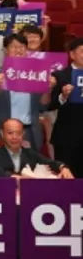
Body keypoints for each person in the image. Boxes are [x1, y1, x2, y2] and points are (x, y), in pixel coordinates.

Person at [0, 34, 48, 151]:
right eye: (13, 46)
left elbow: (43, 105)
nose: (18, 50)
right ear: (5, 50)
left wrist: (48, 88)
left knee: (30, 162)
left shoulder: (35, 74)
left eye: (22, 47)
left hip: (29, 131)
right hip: (3, 131)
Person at [0, 118, 74, 178]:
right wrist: (18, 178)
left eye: (18, 133)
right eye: (10, 133)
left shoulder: (29, 153)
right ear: (2, 134)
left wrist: (63, 167)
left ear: (23, 134)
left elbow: (49, 162)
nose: (14, 137)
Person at [48, 37, 83, 179]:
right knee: (66, 179)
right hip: (66, 137)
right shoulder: (60, 76)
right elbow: (50, 104)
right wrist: (63, 96)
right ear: (72, 54)